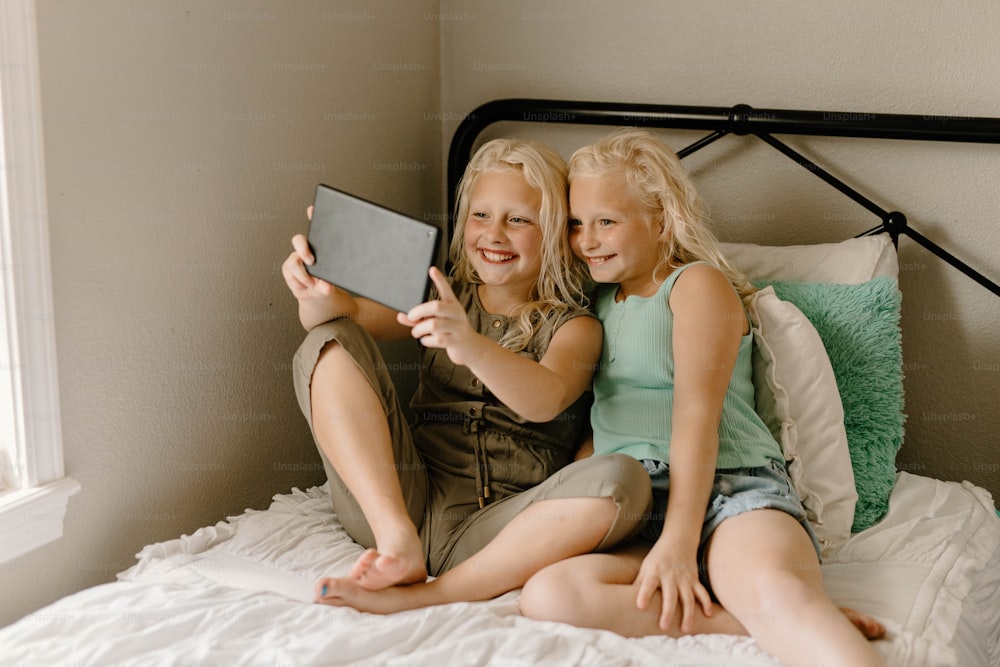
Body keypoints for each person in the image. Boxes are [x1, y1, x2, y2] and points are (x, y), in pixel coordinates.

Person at [518, 130, 885, 666]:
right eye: (577, 224)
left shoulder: (695, 286)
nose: (587, 240)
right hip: (637, 502)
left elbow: (695, 418)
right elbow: (601, 421)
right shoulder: (593, 306)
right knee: (550, 595)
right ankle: (761, 620)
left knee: (775, 593)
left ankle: (789, 612)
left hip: (727, 491)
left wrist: (678, 542)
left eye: (607, 222)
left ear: (662, 221)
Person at [281, 137, 651, 612]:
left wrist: (469, 345)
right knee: (327, 342)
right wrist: (313, 289)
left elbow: (544, 398)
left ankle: (437, 590)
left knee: (625, 480)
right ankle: (398, 545)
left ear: (557, 233)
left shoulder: (576, 326)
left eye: (518, 219)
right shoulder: (440, 293)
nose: (494, 234)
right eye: (481, 216)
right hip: (400, 503)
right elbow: (342, 317)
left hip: (503, 529)